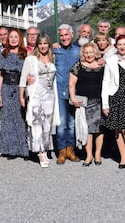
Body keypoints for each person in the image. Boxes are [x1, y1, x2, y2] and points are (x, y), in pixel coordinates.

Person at [19, 33, 57, 168]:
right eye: (40, 43)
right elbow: (23, 79)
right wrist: (22, 96)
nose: (43, 46)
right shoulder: (31, 59)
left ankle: (45, 149)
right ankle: (39, 151)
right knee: (36, 123)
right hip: (36, 95)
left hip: (50, 96)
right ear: (37, 45)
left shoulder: (53, 58)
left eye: (45, 43)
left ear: (49, 44)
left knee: (47, 124)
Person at [102, 35, 125, 168]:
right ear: (116, 46)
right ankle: (123, 157)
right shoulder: (110, 61)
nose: (122, 47)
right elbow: (105, 83)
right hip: (115, 97)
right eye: (120, 44)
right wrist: (105, 104)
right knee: (117, 130)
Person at [69, 42, 105, 166]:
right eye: (86, 52)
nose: (89, 55)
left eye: (91, 52)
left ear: (95, 52)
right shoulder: (78, 66)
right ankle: (89, 155)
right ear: (83, 53)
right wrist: (73, 98)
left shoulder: (102, 65)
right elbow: (72, 84)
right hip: (85, 102)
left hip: (100, 101)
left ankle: (98, 154)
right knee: (88, 130)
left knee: (100, 129)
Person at [0, 29, 29, 160]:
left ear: (20, 39)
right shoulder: (3, 54)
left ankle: (23, 149)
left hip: (20, 89)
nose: (13, 39)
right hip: (6, 88)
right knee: (8, 119)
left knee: (21, 119)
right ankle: (10, 149)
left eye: (16, 37)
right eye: (11, 37)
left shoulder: (25, 54)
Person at [53, 24, 81, 164]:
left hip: (74, 93)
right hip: (59, 91)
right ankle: (61, 151)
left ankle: (71, 150)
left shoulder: (78, 51)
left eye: (66, 35)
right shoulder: (55, 51)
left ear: (71, 35)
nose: (64, 38)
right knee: (61, 123)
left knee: (72, 123)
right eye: (62, 35)